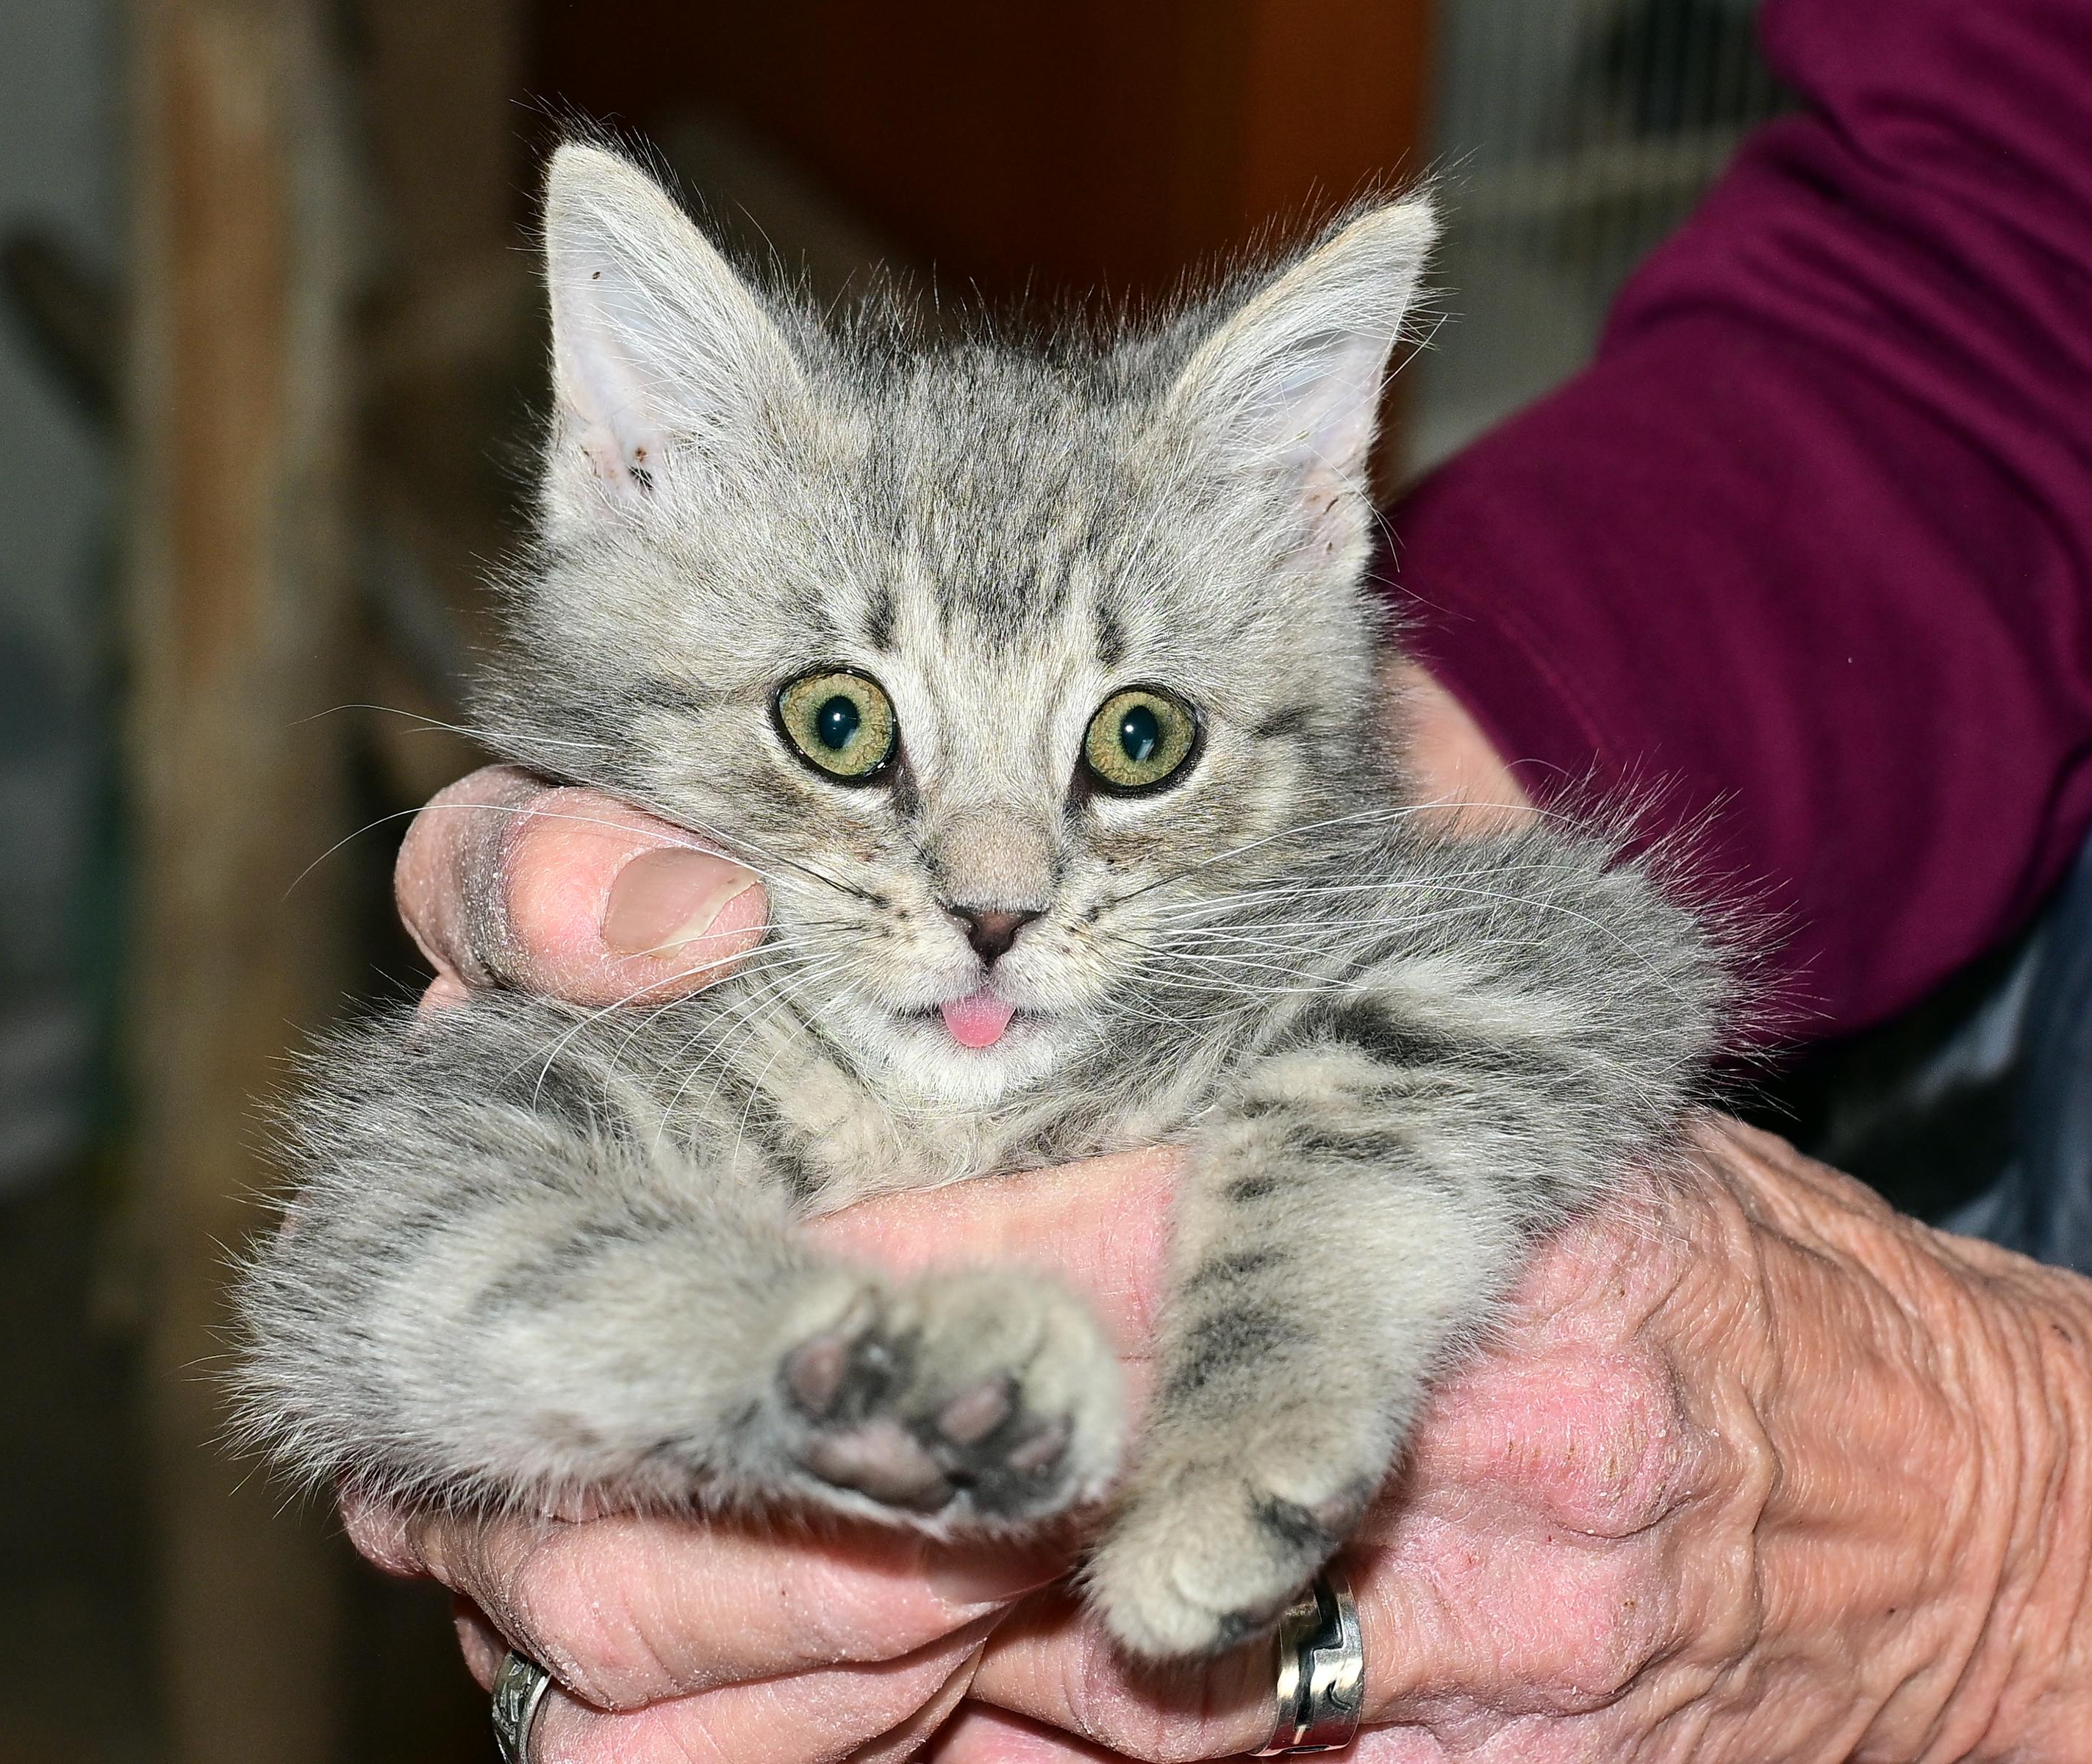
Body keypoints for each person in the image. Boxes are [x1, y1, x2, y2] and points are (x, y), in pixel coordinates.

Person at [344, 0, 2092, 1754]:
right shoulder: (663, 1008)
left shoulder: (1258, 967)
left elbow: (1591, 955)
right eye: (839, 724)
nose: (996, 887)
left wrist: (1293, 1331)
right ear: (628, 485)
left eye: (1133, 750)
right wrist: (762, 1359)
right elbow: (390, 1273)